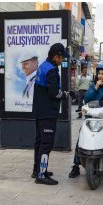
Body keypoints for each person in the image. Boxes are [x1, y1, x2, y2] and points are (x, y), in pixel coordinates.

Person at [32, 43, 69, 185]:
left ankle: (37, 170)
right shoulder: (52, 70)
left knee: (40, 142)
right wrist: (66, 94)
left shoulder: (42, 66)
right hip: (48, 112)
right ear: (55, 56)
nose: (62, 61)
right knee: (46, 143)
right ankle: (41, 175)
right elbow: (54, 93)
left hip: (40, 111)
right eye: (61, 58)